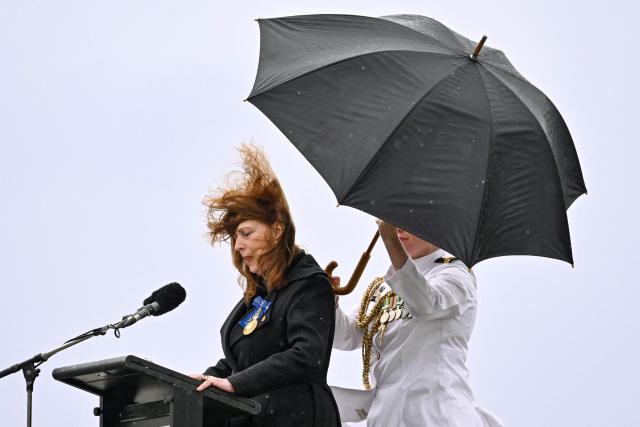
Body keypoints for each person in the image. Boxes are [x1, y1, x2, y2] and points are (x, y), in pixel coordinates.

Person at [193, 145, 341, 427]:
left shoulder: (309, 285)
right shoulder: (260, 293)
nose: (238, 246)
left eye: (246, 234)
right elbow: (240, 360)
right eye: (235, 238)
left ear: (277, 230)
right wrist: (204, 381)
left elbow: (306, 355)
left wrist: (235, 385)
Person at [333, 220, 502, 427]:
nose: (399, 229)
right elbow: (347, 335)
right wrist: (327, 299)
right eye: (393, 221)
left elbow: (425, 303)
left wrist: (389, 239)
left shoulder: (456, 273)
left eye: (408, 220)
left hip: (436, 414)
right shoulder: (384, 287)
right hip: (388, 416)